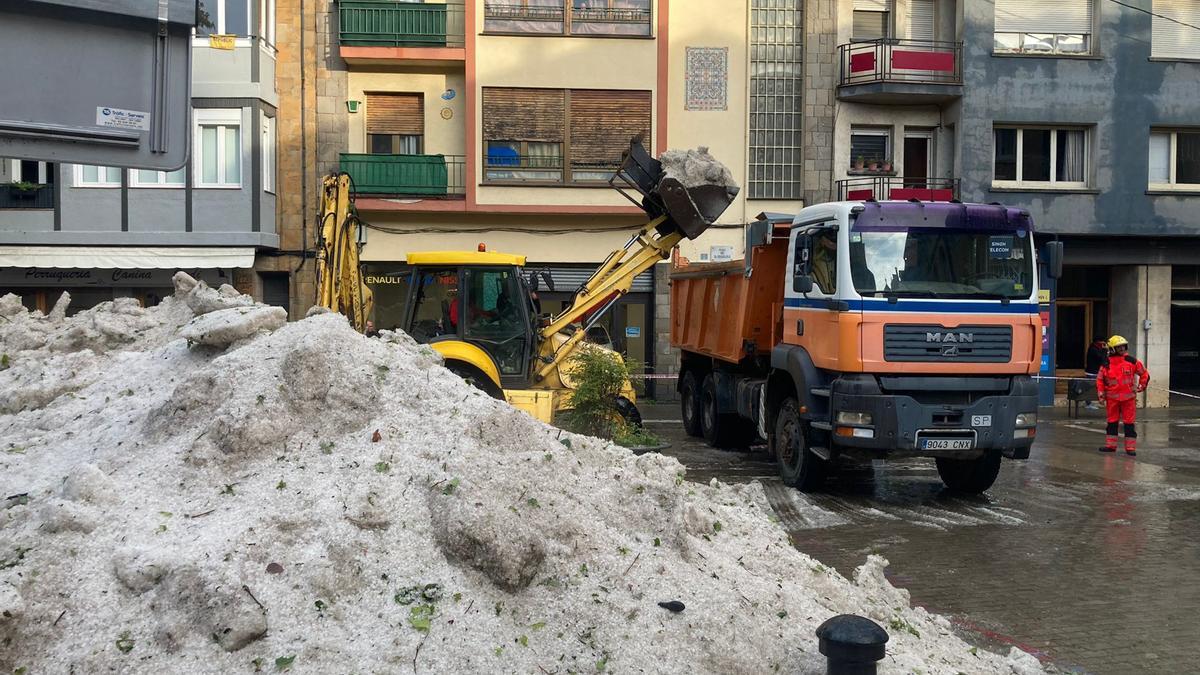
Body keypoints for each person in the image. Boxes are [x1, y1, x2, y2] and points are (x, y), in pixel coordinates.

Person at [1096, 335, 1149, 456]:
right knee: (1112, 423)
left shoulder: (1131, 361)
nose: (1122, 349)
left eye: (1123, 347)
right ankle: (1110, 446)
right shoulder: (1106, 363)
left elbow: (1144, 374)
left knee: (1129, 424)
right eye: (1119, 347)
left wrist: (1140, 387)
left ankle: (1130, 448)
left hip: (1128, 399)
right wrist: (1101, 394)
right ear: (1112, 349)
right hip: (1112, 399)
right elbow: (1100, 380)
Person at [1083, 336, 1110, 410]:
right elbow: (1101, 359)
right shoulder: (1093, 349)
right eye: (1102, 342)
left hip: (1097, 372)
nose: (1103, 344)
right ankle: (1088, 403)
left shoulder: (1097, 348)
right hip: (1092, 372)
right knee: (1090, 388)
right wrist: (1104, 351)